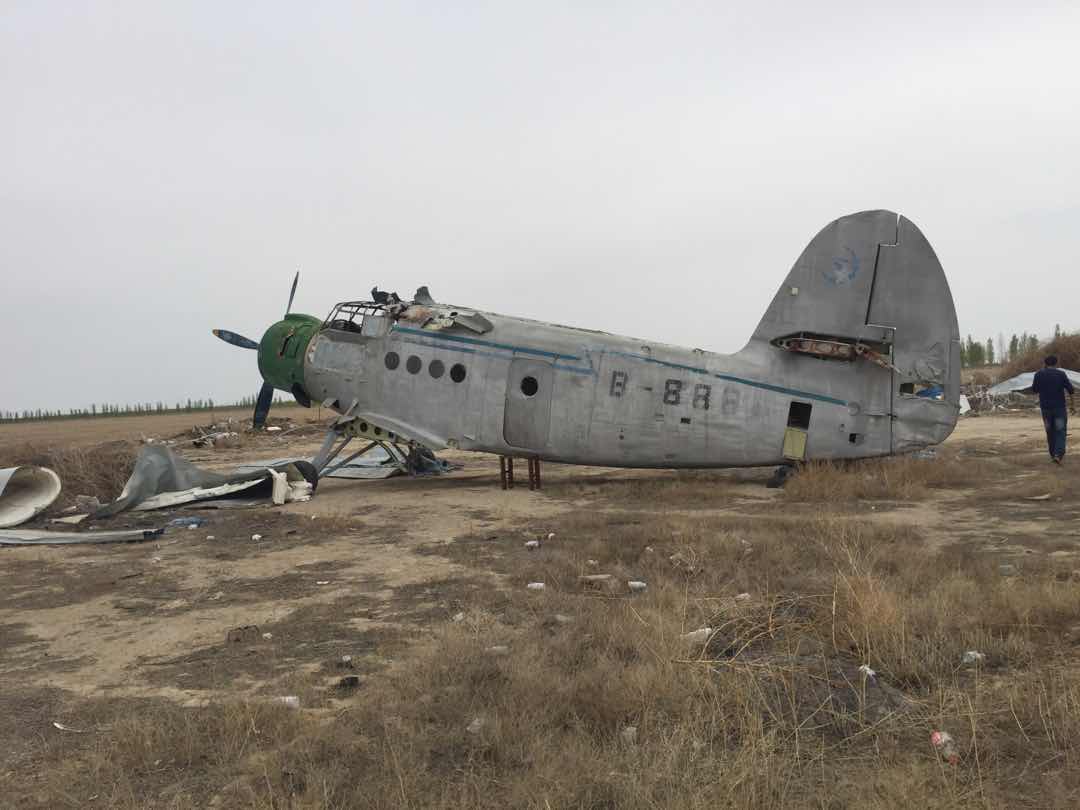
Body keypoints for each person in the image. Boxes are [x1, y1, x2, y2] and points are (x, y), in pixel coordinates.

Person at [1031, 355, 1075, 463]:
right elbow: (1071, 390)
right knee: (1060, 431)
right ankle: (1058, 454)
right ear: (1056, 363)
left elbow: (1035, 390)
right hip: (1059, 408)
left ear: (1045, 363)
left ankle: (1052, 454)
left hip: (1045, 409)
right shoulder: (1061, 374)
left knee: (1050, 431)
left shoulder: (1038, 374)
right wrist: (1072, 405)